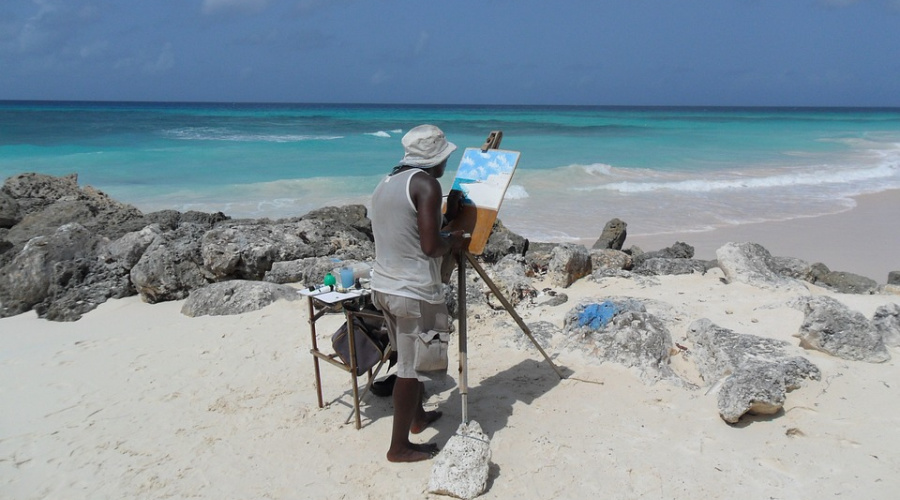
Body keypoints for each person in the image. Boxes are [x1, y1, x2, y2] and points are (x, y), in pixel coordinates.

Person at [370, 124, 467, 463]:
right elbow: (430, 246)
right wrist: (453, 240)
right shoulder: (427, 184)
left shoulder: (389, 182)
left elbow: (408, 230)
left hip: (383, 285)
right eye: (445, 158)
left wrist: (447, 217)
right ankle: (398, 447)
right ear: (435, 159)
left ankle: (418, 417)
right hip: (410, 291)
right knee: (409, 371)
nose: (446, 164)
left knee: (407, 357)